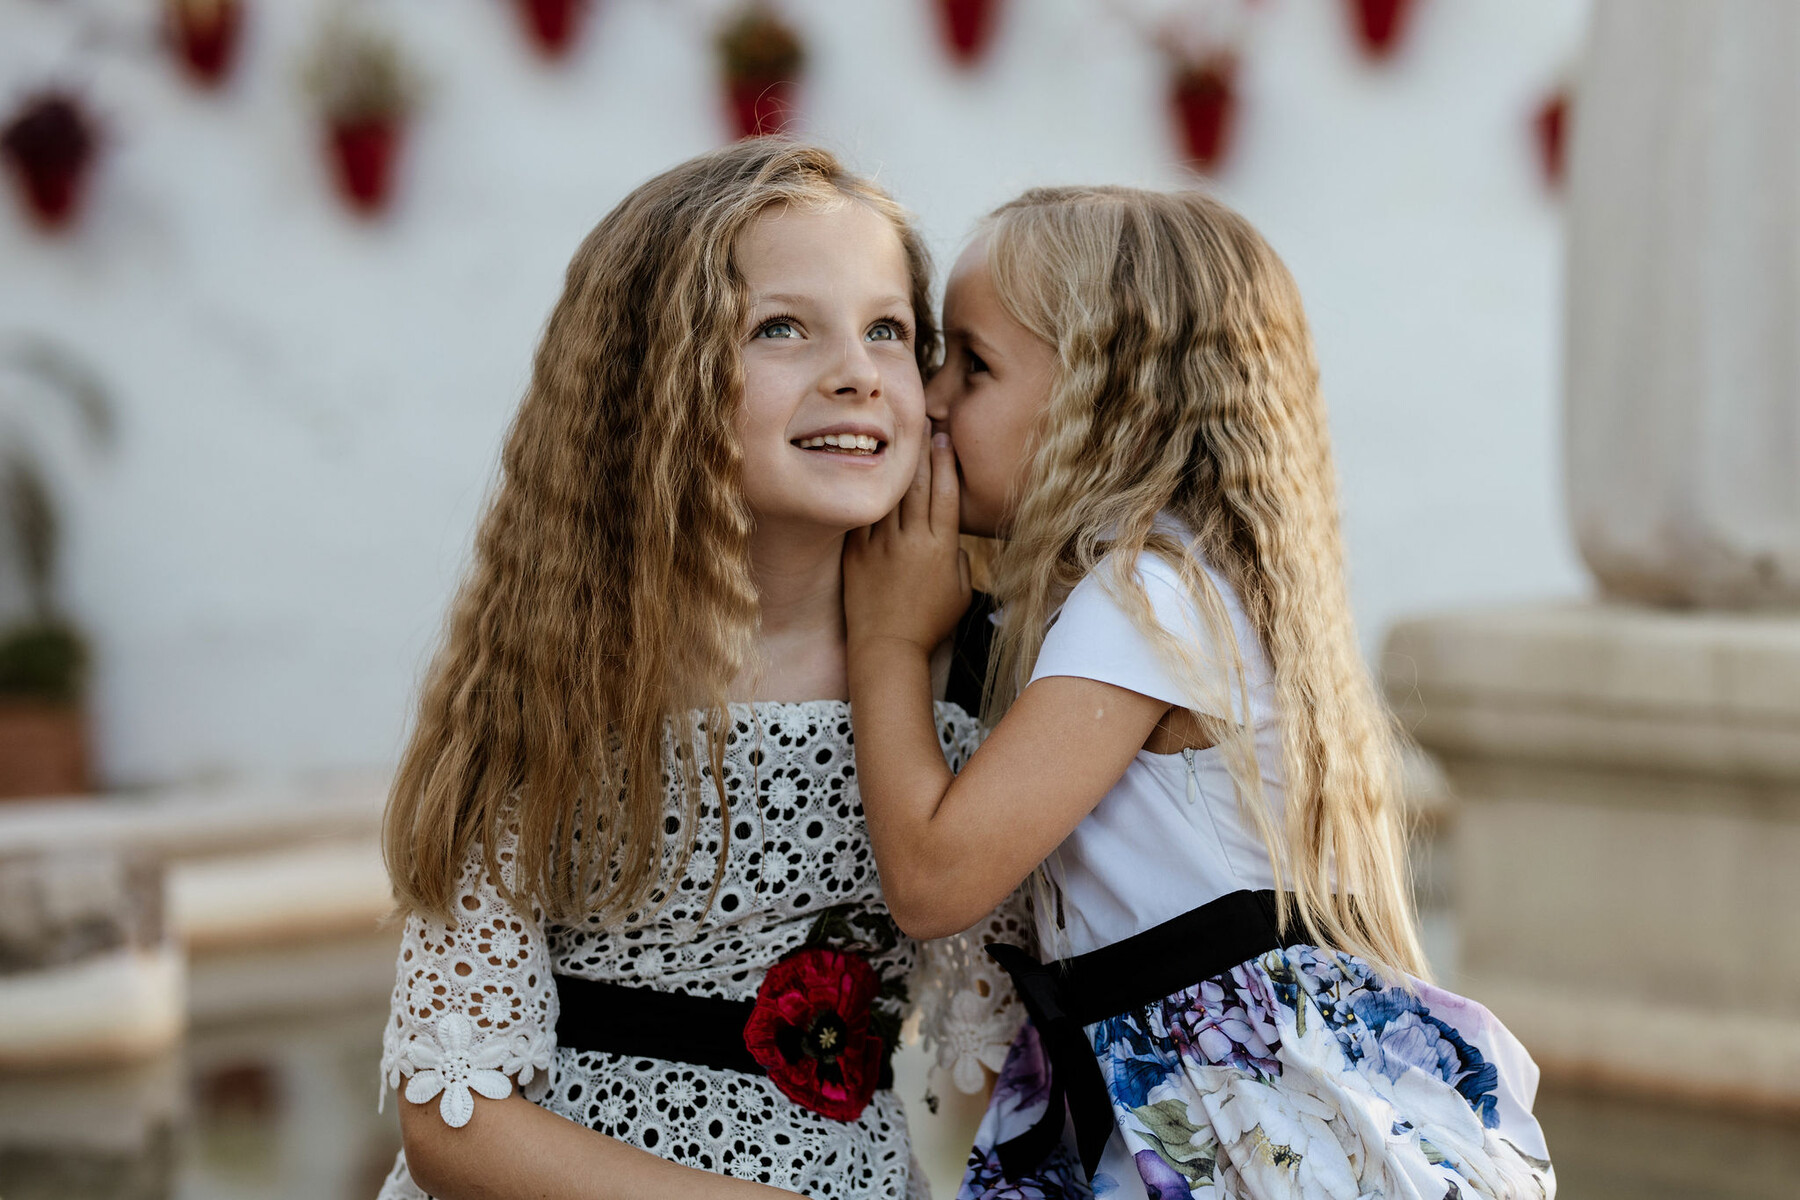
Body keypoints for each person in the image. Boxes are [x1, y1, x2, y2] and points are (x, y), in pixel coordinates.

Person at [842, 185, 1555, 1200]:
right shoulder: (1174, 591)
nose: (934, 399)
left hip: (1231, 1130)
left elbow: (932, 880)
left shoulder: (1145, 598)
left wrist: (883, 636)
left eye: (974, 364)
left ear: (1107, 403)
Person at [375, 140, 1021, 1200]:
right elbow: (457, 1122)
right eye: (780, 328)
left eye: (889, 330)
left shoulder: (971, 680)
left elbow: (985, 1067)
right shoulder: (552, 668)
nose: (856, 370)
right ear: (652, 381)